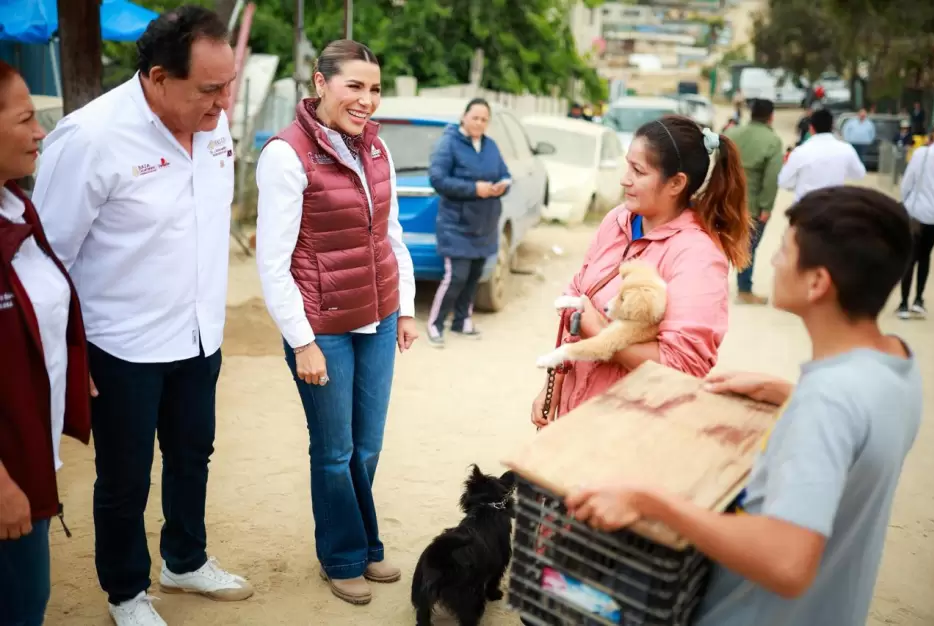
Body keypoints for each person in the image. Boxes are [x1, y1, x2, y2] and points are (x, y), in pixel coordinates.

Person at [566, 185, 920, 626]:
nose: (771, 261)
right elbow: (858, 430)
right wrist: (789, 394)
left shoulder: (828, 401)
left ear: (817, 283)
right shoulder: (895, 364)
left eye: (784, 252)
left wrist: (650, 501)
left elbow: (787, 564)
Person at [31, 7, 252, 625]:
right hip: (119, 347)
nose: (222, 102)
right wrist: (73, 354)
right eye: (209, 89)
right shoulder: (92, 138)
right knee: (124, 480)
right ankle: (127, 592)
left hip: (198, 334)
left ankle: (184, 559)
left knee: (193, 455)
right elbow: (48, 258)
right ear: (158, 78)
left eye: (227, 85)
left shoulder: (214, 128)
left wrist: (209, 324)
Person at [255, 39, 419, 606]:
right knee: (333, 450)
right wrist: (302, 342)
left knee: (367, 447)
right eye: (355, 86)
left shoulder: (377, 150)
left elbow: (391, 234)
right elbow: (272, 264)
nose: (366, 99)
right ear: (320, 83)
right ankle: (345, 555)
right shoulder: (286, 154)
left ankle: (363, 540)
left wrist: (409, 308)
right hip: (321, 325)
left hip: (378, 315)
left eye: (374, 89)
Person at [530, 115, 752, 425]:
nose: (625, 179)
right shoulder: (618, 220)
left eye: (638, 171)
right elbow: (577, 297)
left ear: (676, 183)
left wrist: (603, 335)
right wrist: (554, 386)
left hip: (631, 428)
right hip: (576, 417)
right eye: (627, 166)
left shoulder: (696, 255)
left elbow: (683, 366)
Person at [0, 61, 91, 626]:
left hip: (28, 450)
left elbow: (40, 301)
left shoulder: (16, 204)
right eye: (27, 118)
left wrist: (67, 363)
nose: (41, 132)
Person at [426, 97, 511, 347]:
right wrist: (475, 189)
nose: (479, 123)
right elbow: (437, 179)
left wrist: (501, 186)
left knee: (475, 276)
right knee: (456, 277)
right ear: (464, 117)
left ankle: (462, 321)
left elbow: (505, 174)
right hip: (457, 224)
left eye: (484, 119)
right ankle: (435, 324)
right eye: (475, 117)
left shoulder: (491, 146)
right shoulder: (449, 143)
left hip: (484, 224)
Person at [726, 99, 784, 304]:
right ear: (771, 116)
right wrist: (766, 206)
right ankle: (744, 291)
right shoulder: (772, 141)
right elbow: (771, 177)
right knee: (748, 247)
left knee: (723, 244)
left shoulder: (732, 135)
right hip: (752, 206)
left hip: (727, 201)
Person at [896, 125, 934, 319]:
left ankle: (904, 304)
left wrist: (904, 201)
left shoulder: (922, 154)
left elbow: (908, 181)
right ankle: (919, 300)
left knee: (910, 257)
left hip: (917, 213)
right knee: (925, 256)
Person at [777, 108, 866, 202]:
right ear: (832, 127)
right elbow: (859, 174)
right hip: (833, 205)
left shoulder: (800, 152)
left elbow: (783, 182)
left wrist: (798, 184)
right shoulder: (846, 149)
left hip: (806, 206)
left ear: (811, 128)